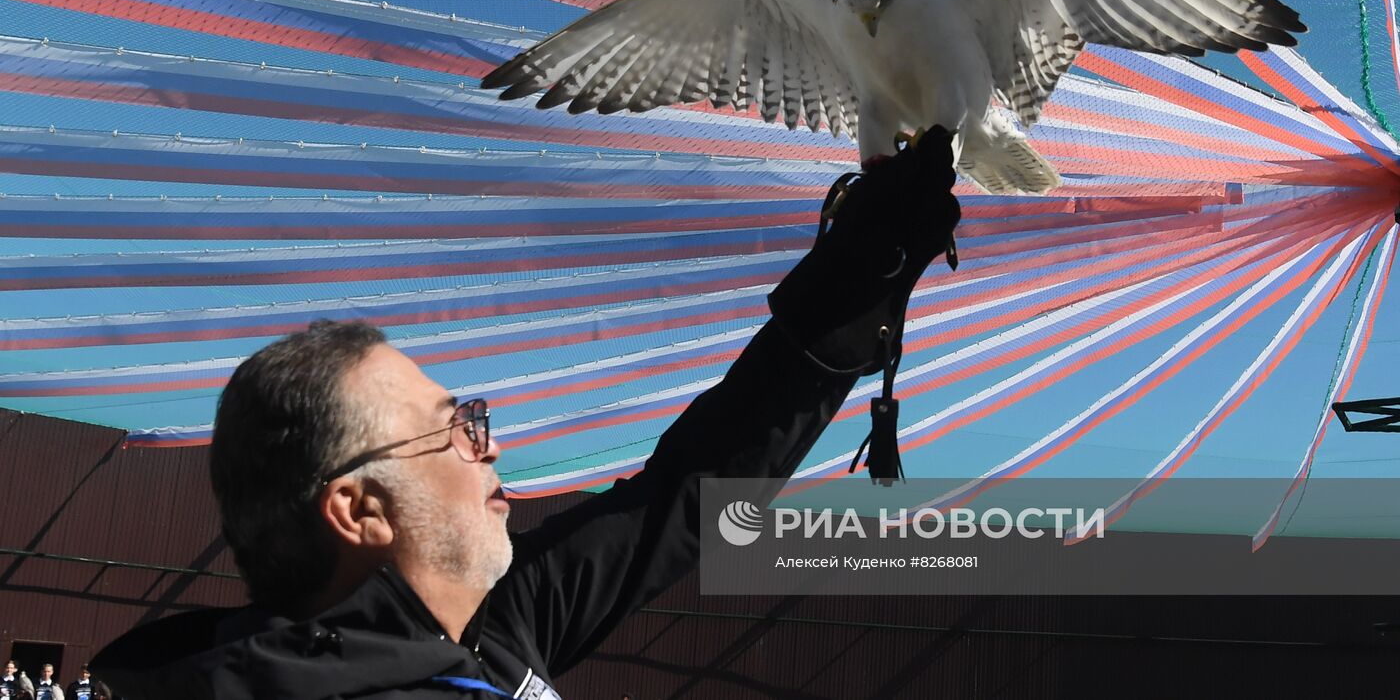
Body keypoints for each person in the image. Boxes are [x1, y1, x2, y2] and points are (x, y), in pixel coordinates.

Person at [92, 133, 961, 698]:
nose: (492, 443)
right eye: (457, 425)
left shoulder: (495, 625)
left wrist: (859, 278)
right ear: (359, 507)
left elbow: (685, 495)